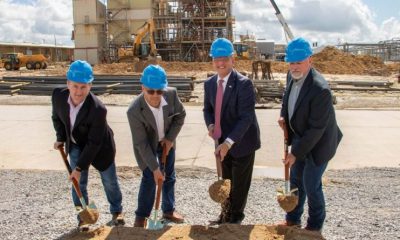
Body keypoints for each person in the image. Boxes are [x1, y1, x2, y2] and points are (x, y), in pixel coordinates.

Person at [278, 37, 343, 233]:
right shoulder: (292, 76)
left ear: (310, 61)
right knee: (296, 180)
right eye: (291, 62)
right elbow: (286, 100)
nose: (294, 66)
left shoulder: (320, 89)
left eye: (298, 62)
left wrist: (295, 153)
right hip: (301, 138)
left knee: (311, 184)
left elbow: (316, 130)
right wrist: (283, 116)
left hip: (319, 143)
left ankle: (315, 226)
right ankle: (292, 219)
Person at [51, 60, 124, 231]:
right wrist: (60, 137)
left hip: (100, 148)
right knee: (78, 183)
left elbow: (94, 143)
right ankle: (83, 217)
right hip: (76, 144)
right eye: (75, 86)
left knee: (109, 181)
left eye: (83, 87)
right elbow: (57, 118)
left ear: (90, 85)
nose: (78, 91)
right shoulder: (58, 96)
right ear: (68, 83)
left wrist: (78, 168)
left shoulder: (98, 109)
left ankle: (117, 211)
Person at [203, 38, 261, 224]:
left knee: (239, 185)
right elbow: (208, 110)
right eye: (216, 59)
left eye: (224, 59)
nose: (220, 63)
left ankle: (235, 219)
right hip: (221, 143)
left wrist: (229, 143)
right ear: (212, 60)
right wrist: (210, 125)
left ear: (232, 59)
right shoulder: (209, 84)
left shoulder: (243, 84)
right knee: (225, 181)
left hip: (242, 141)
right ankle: (225, 214)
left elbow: (246, 117)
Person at [127, 64, 186, 227]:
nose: (155, 95)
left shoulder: (171, 95)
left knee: (169, 177)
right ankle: (142, 216)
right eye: (150, 91)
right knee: (149, 179)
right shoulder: (134, 111)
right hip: (147, 147)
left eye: (159, 91)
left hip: (166, 142)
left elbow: (180, 115)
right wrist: (154, 168)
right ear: (142, 87)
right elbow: (141, 143)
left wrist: (170, 138)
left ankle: (168, 210)